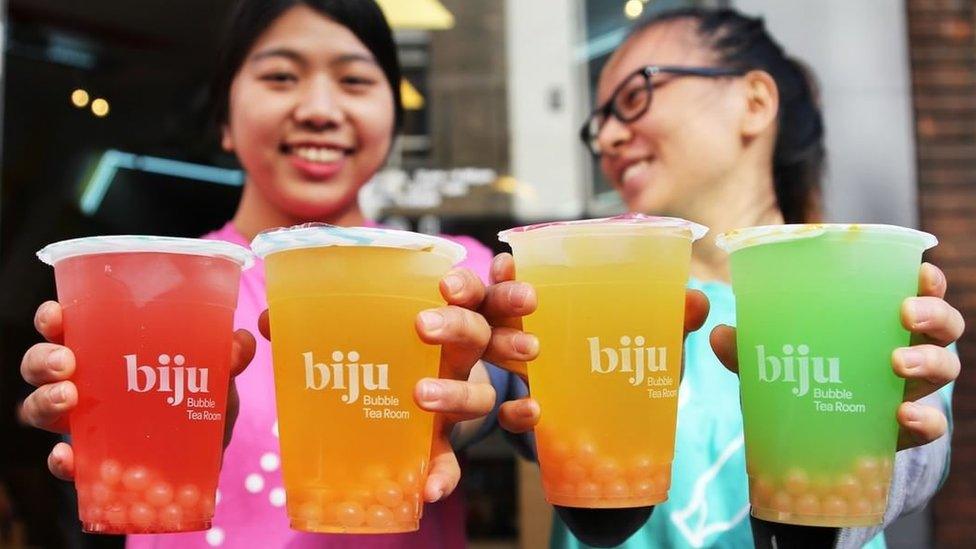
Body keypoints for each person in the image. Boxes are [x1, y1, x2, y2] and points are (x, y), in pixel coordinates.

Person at [16, 1, 543, 547]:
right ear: (224, 117)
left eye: (355, 80)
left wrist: (453, 402)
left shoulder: (455, 271)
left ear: (393, 117)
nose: (319, 108)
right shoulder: (152, 283)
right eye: (281, 76)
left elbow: (489, 377)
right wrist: (86, 405)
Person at [491, 7, 963, 548]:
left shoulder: (866, 285)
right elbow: (518, 420)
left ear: (755, 102)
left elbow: (925, 454)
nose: (610, 139)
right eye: (599, 124)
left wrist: (878, 443)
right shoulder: (576, 291)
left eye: (634, 98)